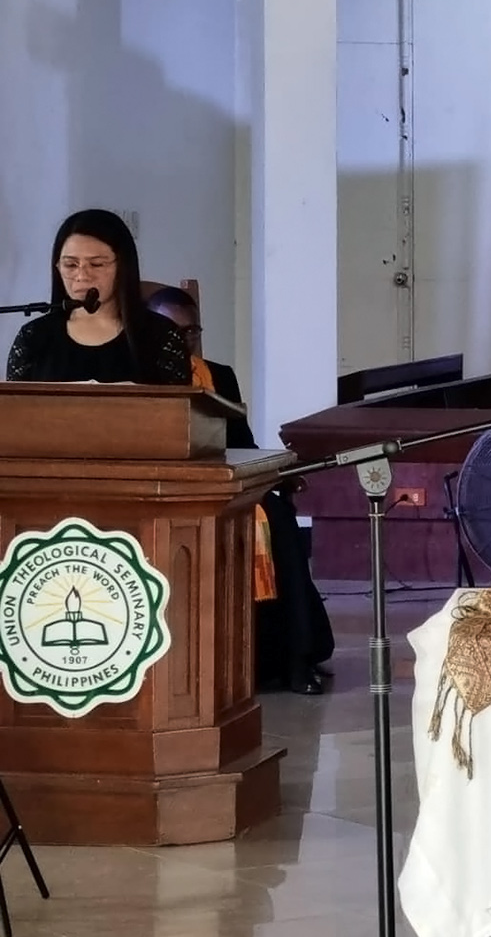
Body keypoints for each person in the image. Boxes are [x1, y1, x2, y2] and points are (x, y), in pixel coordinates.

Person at [146, 284, 334, 695]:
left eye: (192, 331)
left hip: (224, 482)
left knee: (278, 517)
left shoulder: (219, 375)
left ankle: (296, 659)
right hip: (169, 489)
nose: (184, 341)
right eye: (173, 332)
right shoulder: (140, 376)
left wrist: (275, 474)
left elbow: (242, 444)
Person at [6, 209, 191, 385]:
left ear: (123, 267)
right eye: (70, 265)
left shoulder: (161, 336)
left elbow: (180, 405)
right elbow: (15, 405)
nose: (82, 276)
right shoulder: (33, 338)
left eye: (96, 264)